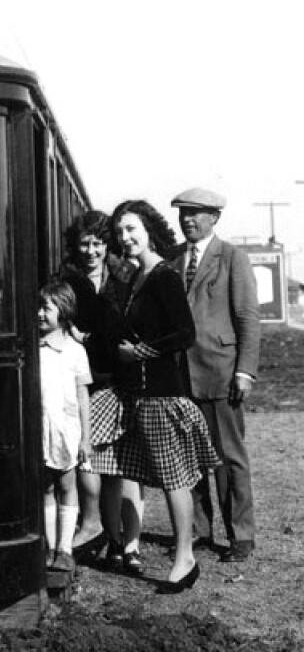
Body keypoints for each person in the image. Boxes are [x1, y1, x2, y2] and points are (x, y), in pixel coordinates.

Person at [106, 199, 220, 593]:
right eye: (120, 232)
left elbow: (184, 334)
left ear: (149, 230)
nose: (126, 238)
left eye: (132, 229)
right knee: (138, 476)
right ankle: (166, 553)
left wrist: (139, 352)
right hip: (138, 395)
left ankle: (184, 559)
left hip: (161, 397)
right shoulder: (136, 277)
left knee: (173, 480)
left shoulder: (163, 276)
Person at [168, 187, 260, 563]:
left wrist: (245, 372)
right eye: (183, 213)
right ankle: (199, 530)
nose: (187, 219)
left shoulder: (233, 258)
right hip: (180, 376)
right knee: (189, 456)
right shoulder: (174, 261)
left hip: (221, 374)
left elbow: (248, 318)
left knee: (228, 457)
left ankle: (241, 536)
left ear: (215, 217)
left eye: (196, 213)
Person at [59, 212, 144, 572]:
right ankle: (104, 533)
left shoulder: (124, 275)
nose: (91, 250)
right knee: (92, 458)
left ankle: (130, 543)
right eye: (84, 244)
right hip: (84, 379)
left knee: (123, 464)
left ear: (106, 244)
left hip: (120, 378)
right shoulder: (66, 280)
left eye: (97, 243)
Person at [38, 280, 93, 574]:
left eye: (45, 308)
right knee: (45, 487)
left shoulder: (74, 351)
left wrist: (86, 437)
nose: (39, 314)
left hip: (66, 429)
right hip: (41, 428)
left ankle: (65, 548)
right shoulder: (35, 350)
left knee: (67, 485)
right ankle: (48, 547)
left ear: (63, 310)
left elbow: (83, 395)